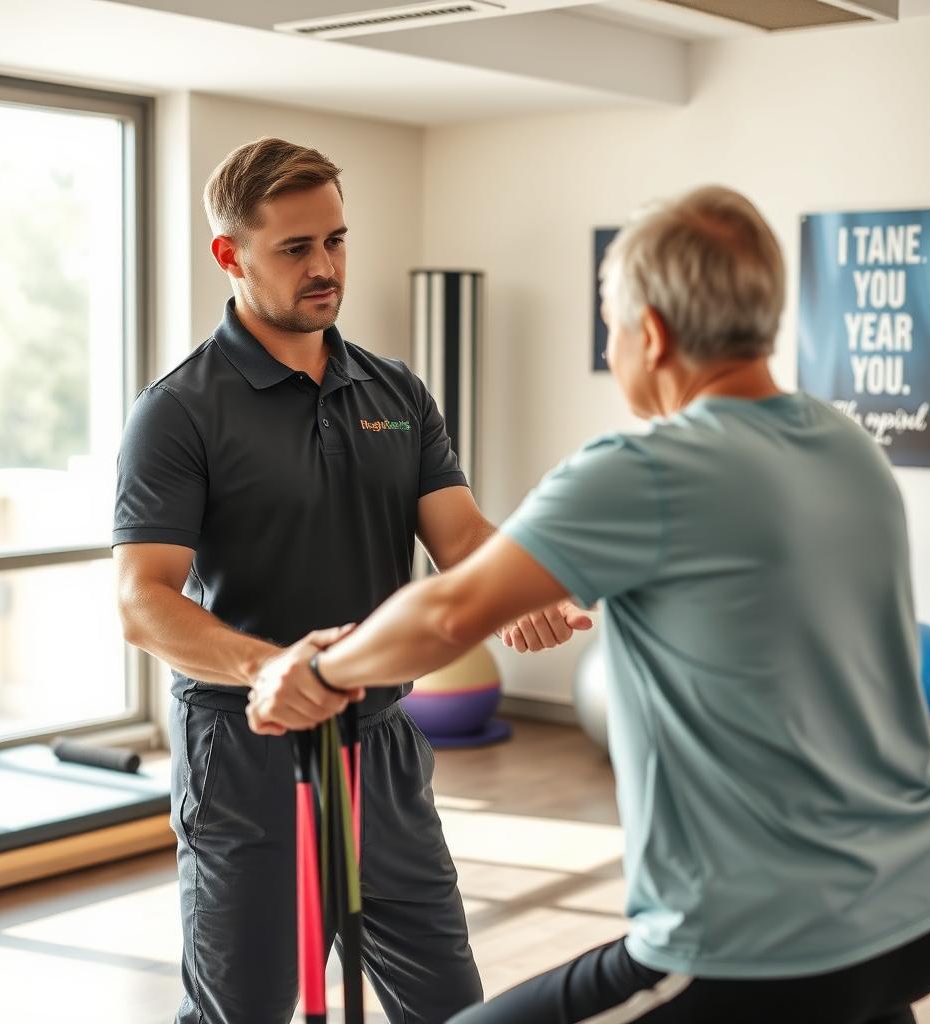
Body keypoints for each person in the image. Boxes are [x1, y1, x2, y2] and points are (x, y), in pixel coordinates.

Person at [249, 186, 930, 1024]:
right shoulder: (844, 447)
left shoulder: (649, 467)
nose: (613, 349)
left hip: (754, 947)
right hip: (911, 913)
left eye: (610, 323)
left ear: (650, 333)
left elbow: (446, 615)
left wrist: (319, 666)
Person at [113, 137, 590, 1024]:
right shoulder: (179, 410)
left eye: (336, 240)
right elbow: (142, 602)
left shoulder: (395, 391)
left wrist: (529, 593)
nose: (326, 266)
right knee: (242, 1011)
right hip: (245, 756)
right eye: (296, 248)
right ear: (231, 254)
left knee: (448, 1006)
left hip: (381, 742)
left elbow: (463, 537)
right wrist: (268, 669)